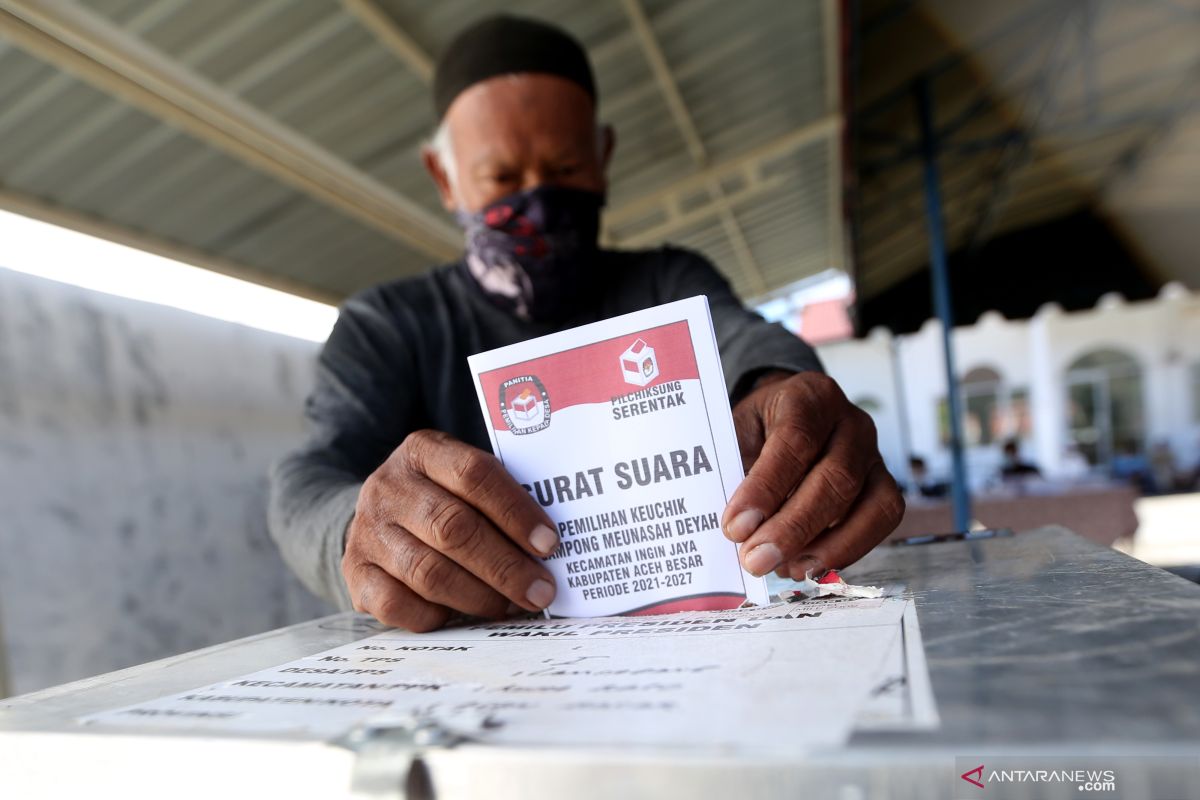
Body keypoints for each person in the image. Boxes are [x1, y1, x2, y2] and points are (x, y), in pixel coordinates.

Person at [268, 15, 903, 632]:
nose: (538, 201)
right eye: (502, 178)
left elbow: (744, 341)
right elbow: (306, 483)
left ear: (602, 157)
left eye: (566, 170)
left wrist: (783, 396)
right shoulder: (389, 325)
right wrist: (360, 531)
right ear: (445, 176)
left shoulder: (666, 284)